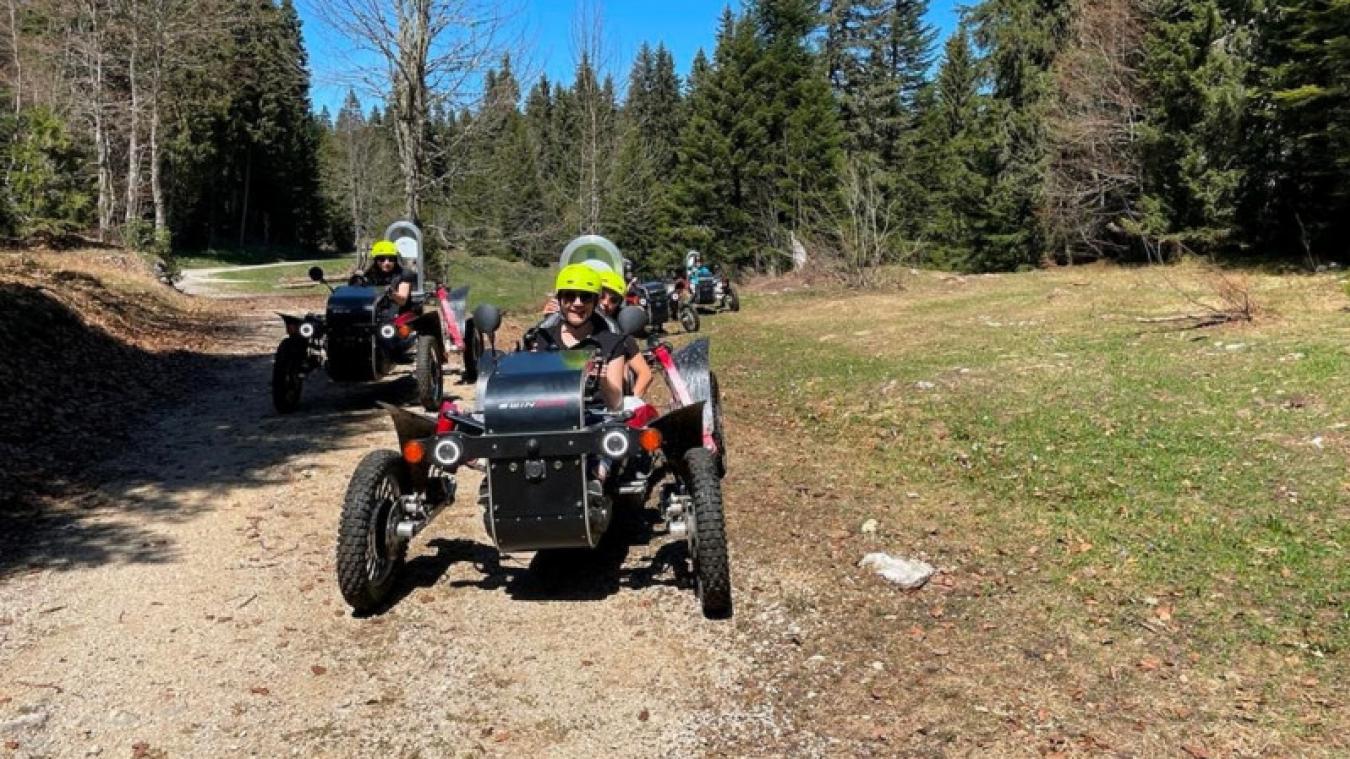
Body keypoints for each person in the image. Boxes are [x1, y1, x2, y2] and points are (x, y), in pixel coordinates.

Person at [530, 264, 625, 411]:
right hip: (546, 416)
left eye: (586, 297)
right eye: (569, 296)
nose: (577, 303)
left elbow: (617, 404)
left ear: (595, 302)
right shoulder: (541, 338)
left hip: (595, 420)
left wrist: (603, 380)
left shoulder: (611, 342)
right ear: (560, 300)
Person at [597, 269, 654, 398]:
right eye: (602, 296)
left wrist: (630, 404)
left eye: (613, 300)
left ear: (618, 304)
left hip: (610, 406)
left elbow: (645, 374)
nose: (606, 302)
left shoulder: (620, 334)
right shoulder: (573, 327)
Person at [362, 240, 416, 310]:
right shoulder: (370, 274)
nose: (387, 263)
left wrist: (390, 292)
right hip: (375, 313)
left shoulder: (404, 274)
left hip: (399, 315)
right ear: (376, 260)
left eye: (391, 259)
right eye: (382, 259)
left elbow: (402, 301)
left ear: (395, 260)